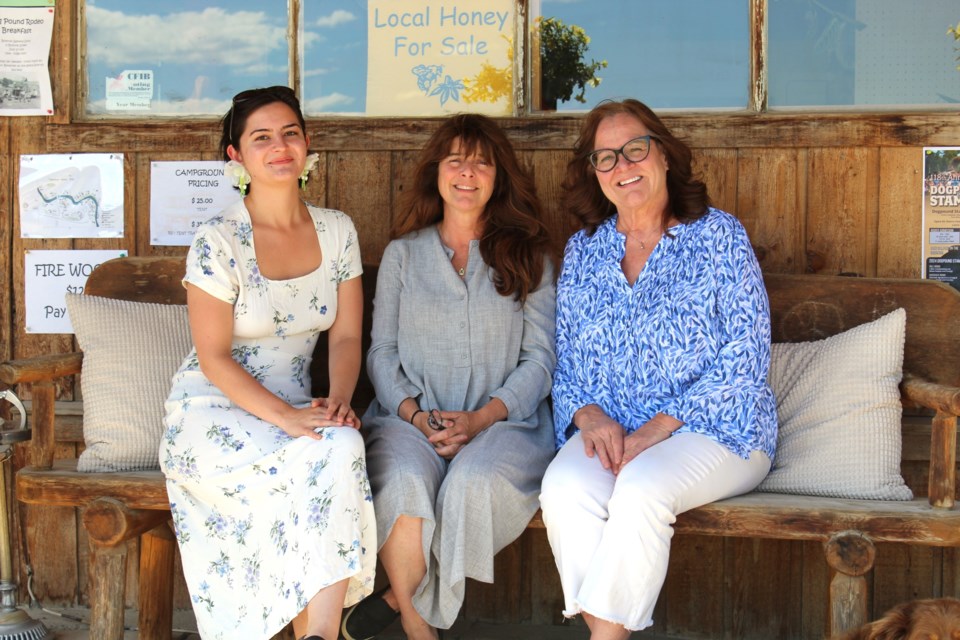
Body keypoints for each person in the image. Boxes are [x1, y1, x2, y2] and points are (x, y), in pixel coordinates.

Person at [538, 98, 778, 639]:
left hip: (720, 431)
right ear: (594, 173)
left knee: (641, 490)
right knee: (564, 490)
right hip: (615, 432)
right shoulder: (585, 251)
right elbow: (568, 358)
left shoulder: (719, 236)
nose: (623, 167)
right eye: (606, 158)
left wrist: (656, 428)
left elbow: (746, 352)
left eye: (635, 149)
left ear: (664, 155)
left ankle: (605, 637)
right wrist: (591, 418)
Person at [159, 86, 375, 640]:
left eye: (290, 133)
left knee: (342, 444)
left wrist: (339, 402)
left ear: (307, 145)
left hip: (300, 403)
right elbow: (213, 358)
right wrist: (288, 419)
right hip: (216, 409)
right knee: (322, 461)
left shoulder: (337, 230)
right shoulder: (218, 240)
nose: (279, 147)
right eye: (261, 138)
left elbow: (347, 335)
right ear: (236, 156)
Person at [341, 114, 556, 640]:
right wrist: (414, 414)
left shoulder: (529, 256)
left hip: (506, 424)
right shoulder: (402, 256)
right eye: (455, 159)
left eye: (481, 161)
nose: (467, 172)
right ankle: (421, 632)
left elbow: (541, 360)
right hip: (407, 420)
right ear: (436, 171)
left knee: (470, 485)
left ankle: (398, 597)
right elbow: (381, 352)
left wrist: (482, 417)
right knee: (407, 486)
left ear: (498, 176)